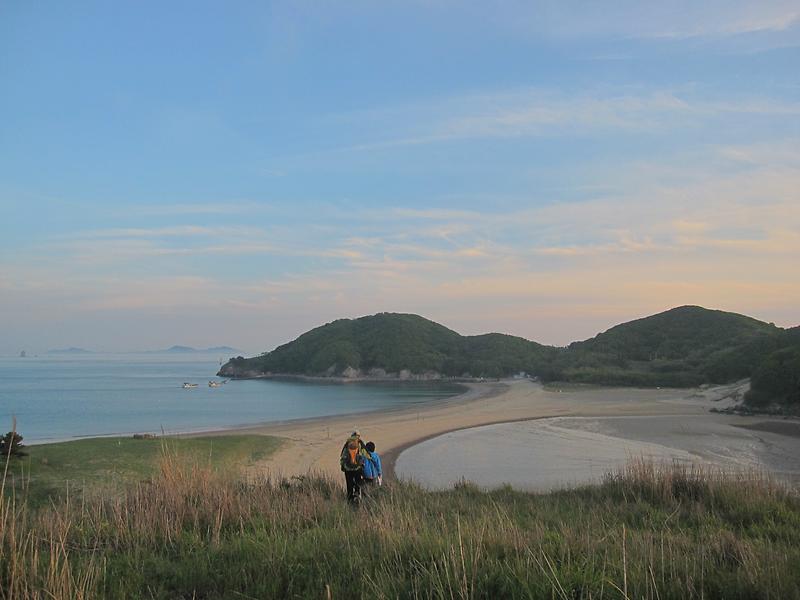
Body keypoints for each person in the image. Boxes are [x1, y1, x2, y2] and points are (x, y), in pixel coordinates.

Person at [340, 430, 367, 503]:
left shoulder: (347, 443)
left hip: (348, 469)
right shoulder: (360, 443)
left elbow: (342, 456)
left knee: (349, 485)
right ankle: (357, 497)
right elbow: (364, 454)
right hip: (357, 468)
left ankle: (349, 500)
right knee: (358, 484)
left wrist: (343, 466)